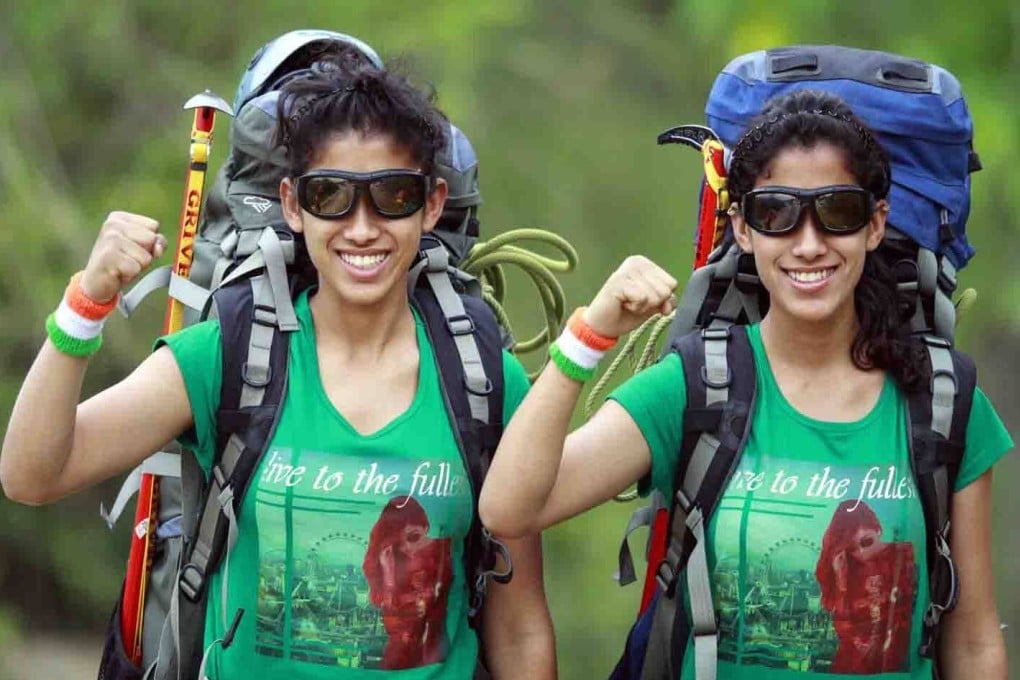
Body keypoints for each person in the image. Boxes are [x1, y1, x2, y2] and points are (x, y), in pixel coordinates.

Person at [1, 57, 556, 679]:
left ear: (432, 206)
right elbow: (31, 474)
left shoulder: (482, 379)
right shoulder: (233, 355)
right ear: (292, 204)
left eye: (393, 196)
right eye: (331, 196)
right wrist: (85, 306)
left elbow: (520, 625)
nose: (363, 227)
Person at [479, 90, 1010, 679]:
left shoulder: (941, 402)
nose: (809, 243)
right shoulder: (698, 385)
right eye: (778, 213)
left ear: (875, 224)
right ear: (744, 229)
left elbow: (974, 639)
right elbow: (508, 509)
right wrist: (589, 336)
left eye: (837, 211)